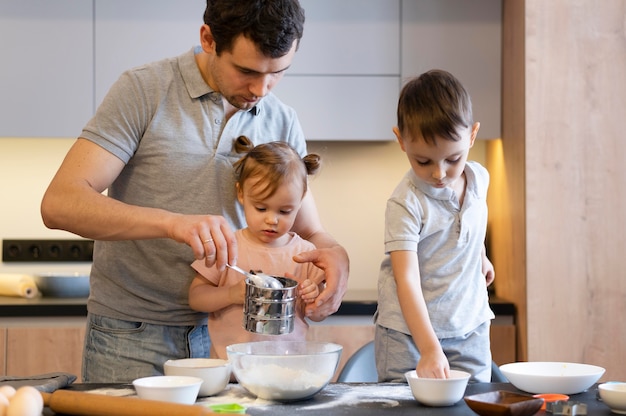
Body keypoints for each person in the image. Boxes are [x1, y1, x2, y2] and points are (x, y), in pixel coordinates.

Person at [40, 0, 349, 383]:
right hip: (133, 336)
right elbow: (60, 203)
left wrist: (337, 257)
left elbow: (310, 231)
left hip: (235, 343)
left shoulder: (281, 119)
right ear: (208, 38)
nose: (261, 89)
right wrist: (173, 224)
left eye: (278, 73)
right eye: (246, 71)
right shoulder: (144, 90)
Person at [374, 69, 495, 383]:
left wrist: (479, 255)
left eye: (453, 159)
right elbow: (407, 280)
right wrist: (428, 348)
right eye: (423, 161)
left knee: (473, 404)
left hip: (469, 325)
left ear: (472, 134)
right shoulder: (406, 203)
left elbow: (470, 223)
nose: (439, 174)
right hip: (409, 335)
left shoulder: (480, 178)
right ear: (401, 140)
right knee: (405, 407)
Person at [189, 137, 325, 359]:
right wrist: (232, 294)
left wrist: (314, 297)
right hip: (230, 371)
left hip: (286, 367)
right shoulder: (227, 246)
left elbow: (319, 314)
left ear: (300, 202)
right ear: (241, 194)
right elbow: (196, 298)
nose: (272, 220)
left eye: (285, 211)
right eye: (261, 208)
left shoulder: (306, 254)